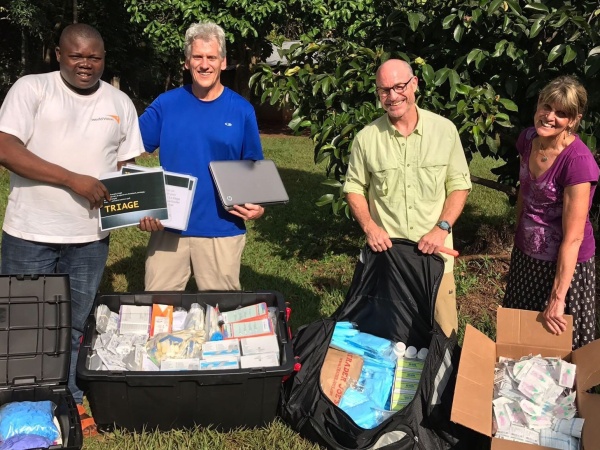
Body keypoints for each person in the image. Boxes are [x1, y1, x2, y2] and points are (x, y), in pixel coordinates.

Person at [0, 23, 144, 435]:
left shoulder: (119, 102)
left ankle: (71, 400)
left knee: (76, 324)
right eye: (77, 55)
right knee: (24, 323)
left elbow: (126, 168)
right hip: (30, 231)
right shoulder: (32, 89)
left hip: (89, 238)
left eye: (94, 57)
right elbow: (5, 148)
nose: (85, 64)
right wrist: (71, 179)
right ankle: (21, 406)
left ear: (103, 59)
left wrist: (146, 206)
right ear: (59, 55)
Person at [342, 59, 471, 337]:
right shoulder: (367, 138)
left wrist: (442, 228)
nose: (393, 96)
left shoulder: (444, 130)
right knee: (387, 339)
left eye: (399, 86)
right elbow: (353, 187)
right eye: (384, 90)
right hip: (388, 259)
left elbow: (460, 186)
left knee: (443, 335)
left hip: (435, 257)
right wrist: (370, 227)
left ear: (414, 84)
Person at [138, 21, 264, 291]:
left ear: (223, 62)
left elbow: (252, 167)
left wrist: (258, 204)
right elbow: (127, 151)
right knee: (159, 311)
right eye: (197, 57)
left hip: (222, 228)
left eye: (211, 57)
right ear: (187, 62)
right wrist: (141, 203)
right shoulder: (166, 104)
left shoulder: (242, 110)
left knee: (221, 315)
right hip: (168, 228)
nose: (204, 64)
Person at [503, 76, 599, 349]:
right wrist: (519, 232)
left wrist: (558, 297)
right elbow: (525, 190)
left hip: (565, 263)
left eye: (561, 113)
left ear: (573, 120)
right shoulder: (528, 139)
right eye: (546, 106)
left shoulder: (578, 162)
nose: (549, 117)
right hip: (527, 255)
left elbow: (573, 237)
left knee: (559, 344)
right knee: (519, 338)